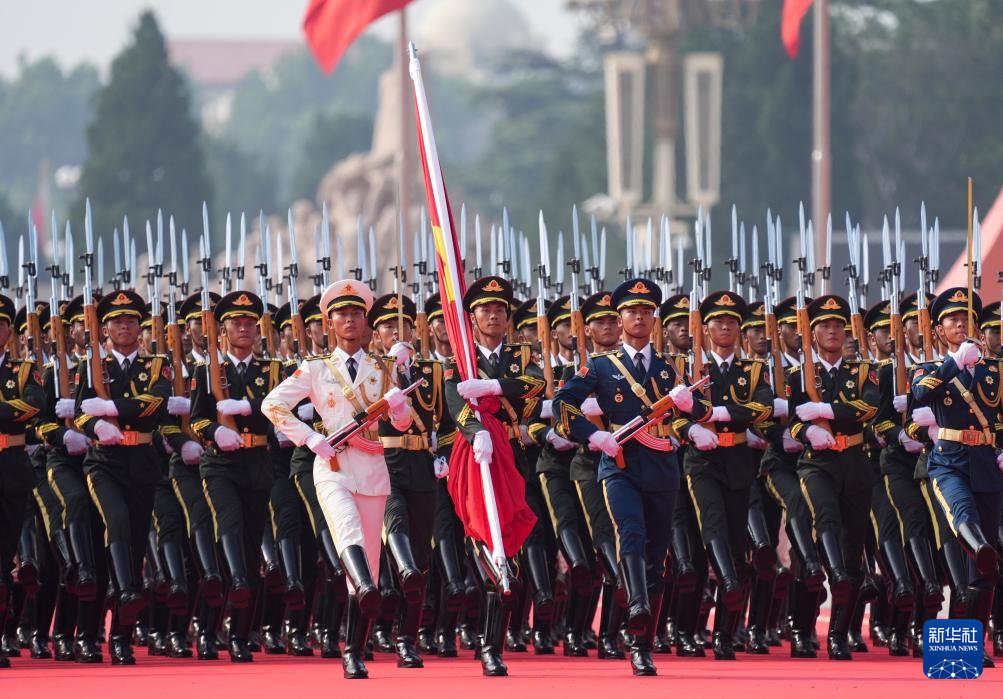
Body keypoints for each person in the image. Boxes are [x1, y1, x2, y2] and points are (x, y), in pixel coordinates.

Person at [553, 278, 709, 676]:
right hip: (619, 465)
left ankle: (643, 643)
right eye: (631, 311)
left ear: (654, 319)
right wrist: (593, 435)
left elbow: (704, 410)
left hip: (662, 467)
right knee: (631, 533)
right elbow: (563, 403)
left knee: (656, 557)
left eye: (645, 311)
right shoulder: (601, 366)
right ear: (620, 318)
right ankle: (637, 608)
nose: (638, 317)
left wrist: (689, 405)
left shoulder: (670, 368)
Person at [262, 279, 412, 679]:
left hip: (373, 468)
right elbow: (272, 404)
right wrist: (309, 437)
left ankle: (354, 650)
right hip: (332, 466)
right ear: (330, 323)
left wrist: (399, 408)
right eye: (342, 314)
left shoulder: (382, 367)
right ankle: (366, 589)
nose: (350, 320)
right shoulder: (316, 368)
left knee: (372, 561)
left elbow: (403, 423)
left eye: (356, 314)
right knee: (347, 531)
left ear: (366, 321)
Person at [74, 289, 171, 665]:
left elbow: (156, 404)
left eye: (131, 320)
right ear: (105, 329)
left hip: (142, 460)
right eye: (116, 321)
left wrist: (111, 406)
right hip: (104, 462)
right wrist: (95, 424)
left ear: (140, 326)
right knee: (115, 520)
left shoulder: (156, 364)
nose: (124, 326)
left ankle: (120, 639)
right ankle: (95, 626)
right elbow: (80, 410)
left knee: (133, 544)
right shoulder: (91, 366)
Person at [189, 290, 283, 663]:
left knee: (249, 546)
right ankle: (209, 629)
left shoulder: (271, 371)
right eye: (236, 323)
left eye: (249, 323)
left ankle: (240, 635)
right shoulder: (208, 371)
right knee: (228, 530)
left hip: (258, 463)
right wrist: (215, 431)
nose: (243, 328)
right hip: (221, 465)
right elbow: (197, 419)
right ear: (223, 330)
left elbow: (279, 408)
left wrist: (248, 407)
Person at [911, 287, 1003, 667]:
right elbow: (920, 394)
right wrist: (954, 363)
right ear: (938, 330)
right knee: (964, 517)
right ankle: (979, 546)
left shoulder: (995, 370)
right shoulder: (929, 369)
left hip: (986, 463)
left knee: (984, 570)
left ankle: (970, 646)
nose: (960, 324)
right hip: (948, 462)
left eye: (966, 319)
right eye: (952, 319)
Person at [787, 294, 880, 661]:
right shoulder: (798, 374)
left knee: (854, 545)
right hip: (817, 463)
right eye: (824, 326)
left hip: (854, 460)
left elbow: (868, 407)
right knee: (823, 519)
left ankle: (839, 634)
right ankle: (804, 625)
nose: (832, 331)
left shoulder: (862, 371)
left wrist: (825, 409)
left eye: (838, 326)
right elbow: (792, 419)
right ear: (812, 333)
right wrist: (807, 431)